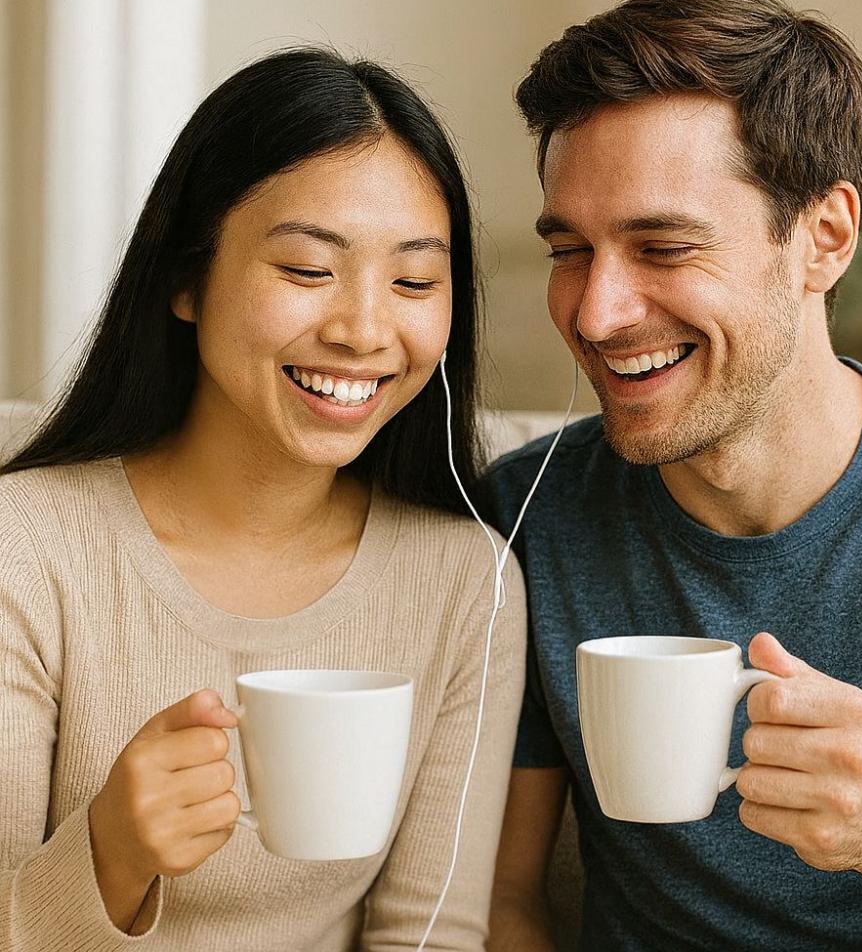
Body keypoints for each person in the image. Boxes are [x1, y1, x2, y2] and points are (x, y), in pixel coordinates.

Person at [482, 0, 862, 952]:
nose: (594, 314)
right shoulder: (526, 516)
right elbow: (502, 900)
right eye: (569, 249)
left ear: (824, 237)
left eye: (662, 244)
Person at [0, 47, 525, 951]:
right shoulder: (29, 547)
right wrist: (112, 854)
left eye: (413, 281)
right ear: (185, 277)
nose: (363, 330)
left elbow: (431, 937)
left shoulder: (466, 584)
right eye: (307, 270)